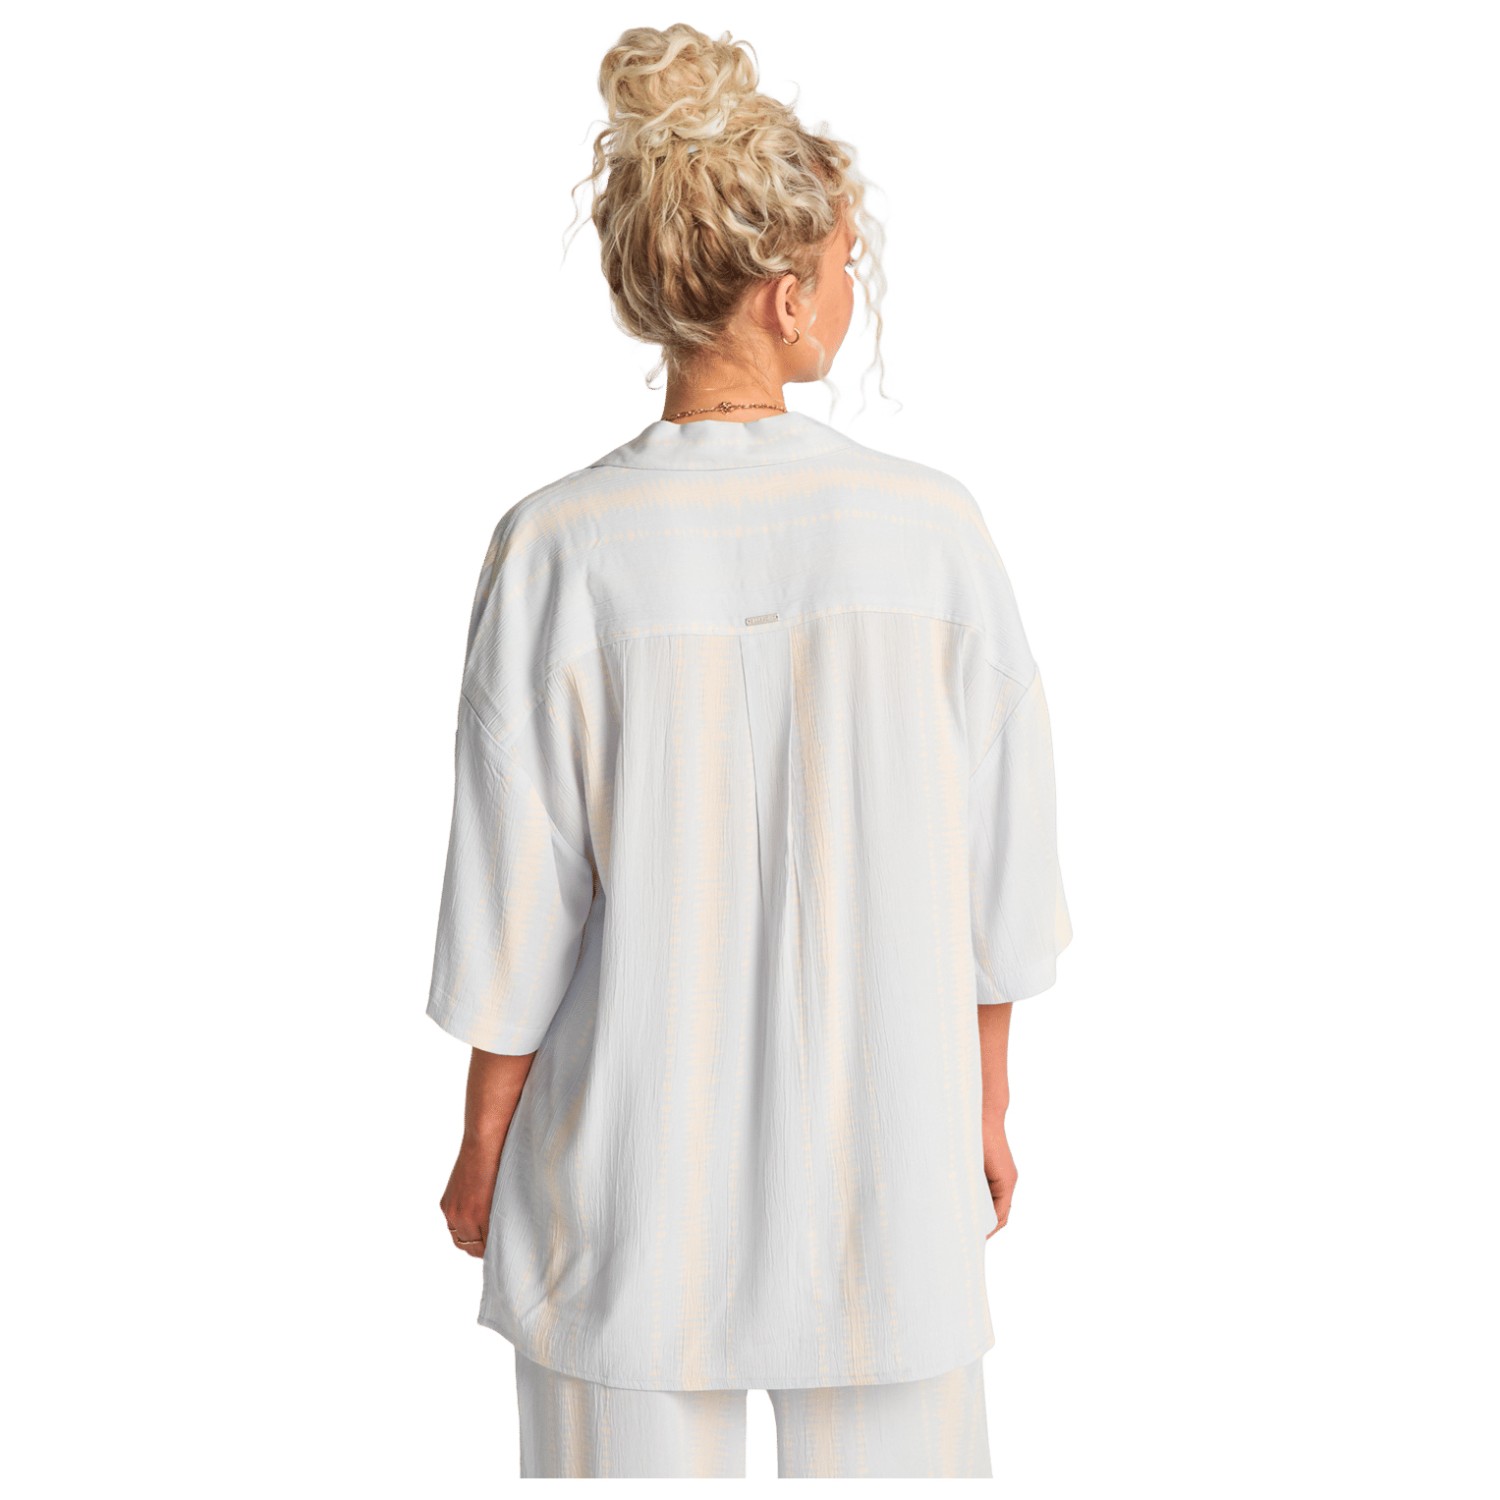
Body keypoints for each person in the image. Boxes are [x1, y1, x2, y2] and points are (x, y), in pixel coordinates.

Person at [425, 22, 1072, 1480]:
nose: (850, 288)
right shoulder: (933, 531)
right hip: (889, 1162)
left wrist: (481, 1142)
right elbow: (1003, 877)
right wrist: (985, 1108)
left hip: (630, 1172)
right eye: (845, 264)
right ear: (786, 298)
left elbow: (512, 900)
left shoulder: (558, 546)